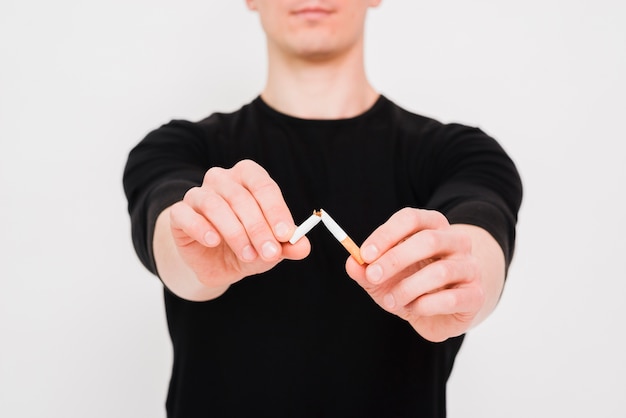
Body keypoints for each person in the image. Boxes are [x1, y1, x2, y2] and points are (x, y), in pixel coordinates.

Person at [123, 1, 523, 416]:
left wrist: (461, 281)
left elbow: (480, 235)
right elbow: (169, 233)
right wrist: (196, 250)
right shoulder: (176, 149)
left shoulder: (461, 154)